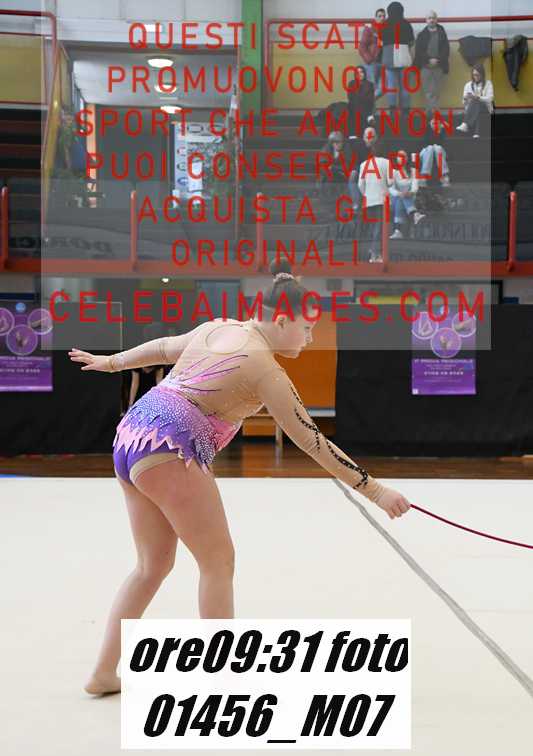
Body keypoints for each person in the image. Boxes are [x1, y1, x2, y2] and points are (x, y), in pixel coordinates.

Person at [68, 267, 411, 695]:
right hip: (170, 445)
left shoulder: (218, 328)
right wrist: (376, 491)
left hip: (132, 434)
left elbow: (164, 347)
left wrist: (112, 363)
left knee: (151, 566)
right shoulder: (264, 368)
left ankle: (103, 673)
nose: (309, 339)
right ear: (281, 320)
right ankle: (221, 680)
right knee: (218, 561)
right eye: (306, 329)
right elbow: (312, 440)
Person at [357, 139, 393, 262]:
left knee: (373, 227)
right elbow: (390, 182)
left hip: (368, 200)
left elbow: (360, 184)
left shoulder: (363, 164)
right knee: (379, 228)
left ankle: (374, 251)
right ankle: (375, 253)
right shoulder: (387, 163)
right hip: (381, 200)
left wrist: (366, 194)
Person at [380, 2, 415, 111]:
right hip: (403, 54)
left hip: (388, 55)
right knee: (404, 86)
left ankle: (392, 110)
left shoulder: (384, 24)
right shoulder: (406, 24)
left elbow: (380, 40)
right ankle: (406, 110)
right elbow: (411, 42)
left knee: (391, 85)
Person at [413, 11, 450, 112]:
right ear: (426, 20)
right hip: (425, 67)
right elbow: (419, 51)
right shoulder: (421, 35)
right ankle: (435, 115)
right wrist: (429, 59)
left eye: (433, 18)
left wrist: (437, 59)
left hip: (439, 66)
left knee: (436, 93)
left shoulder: (442, 34)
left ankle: (429, 114)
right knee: (428, 93)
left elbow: (446, 50)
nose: (431, 20)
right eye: (429, 18)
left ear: (436, 19)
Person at [389, 150, 426, 238]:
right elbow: (391, 188)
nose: (401, 158)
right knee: (400, 198)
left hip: (410, 197)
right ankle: (414, 214)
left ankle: (398, 231)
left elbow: (415, 185)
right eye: (399, 156)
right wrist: (400, 193)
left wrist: (411, 192)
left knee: (401, 200)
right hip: (395, 197)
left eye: (404, 156)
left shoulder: (413, 170)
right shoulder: (393, 172)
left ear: (407, 159)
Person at [456, 63, 494, 138]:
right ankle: (477, 133)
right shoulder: (468, 85)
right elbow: (464, 103)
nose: (475, 77)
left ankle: (465, 124)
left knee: (476, 100)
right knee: (475, 106)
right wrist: (465, 98)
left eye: (478, 75)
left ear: (482, 74)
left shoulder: (488, 83)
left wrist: (478, 97)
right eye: (474, 75)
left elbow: (490, 98)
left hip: (485, 108)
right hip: (472, 110)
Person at [317, 130, 354, 201]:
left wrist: (333, 168)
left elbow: (347, 165)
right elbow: (323, 166)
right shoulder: (325, 150)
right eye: (336, 142)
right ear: (331, 143)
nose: (339, 144)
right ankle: (328, 200)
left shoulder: (347, 149)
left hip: (342, 176)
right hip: (328, 177)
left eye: (341, 142)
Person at [359, 8, 386, 100]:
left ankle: (365, 102)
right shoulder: (369, 29)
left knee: (382, 89)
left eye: (384, 16)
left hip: (384, 64)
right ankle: (368, 108)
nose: (382, 18)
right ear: (375, 18)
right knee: (371, 89)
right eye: (379, 16)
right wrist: (369, 60)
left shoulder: (388, 30)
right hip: (372, 63)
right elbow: (362, 46)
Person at [418, 113, 451, 186]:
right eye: (433, 123)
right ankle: (424, 175)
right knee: (430, 147)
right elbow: (426, 143)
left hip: (439, 152)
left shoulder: (441, 131)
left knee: (437, 147)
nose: (435, 124)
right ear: (429, 123)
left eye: (437, 123)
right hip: (425, 152)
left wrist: (439, 131)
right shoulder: (426, 129)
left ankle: (444, 175)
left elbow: (441, 143)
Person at [346, 65, 375, 136]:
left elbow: (370, 100)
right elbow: (350, 97)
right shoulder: (351, 84)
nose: (360, 74)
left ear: (364, 73)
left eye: (361, 72)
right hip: (353, 110)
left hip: (366, 111)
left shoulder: (370, 84)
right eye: (357, 72)